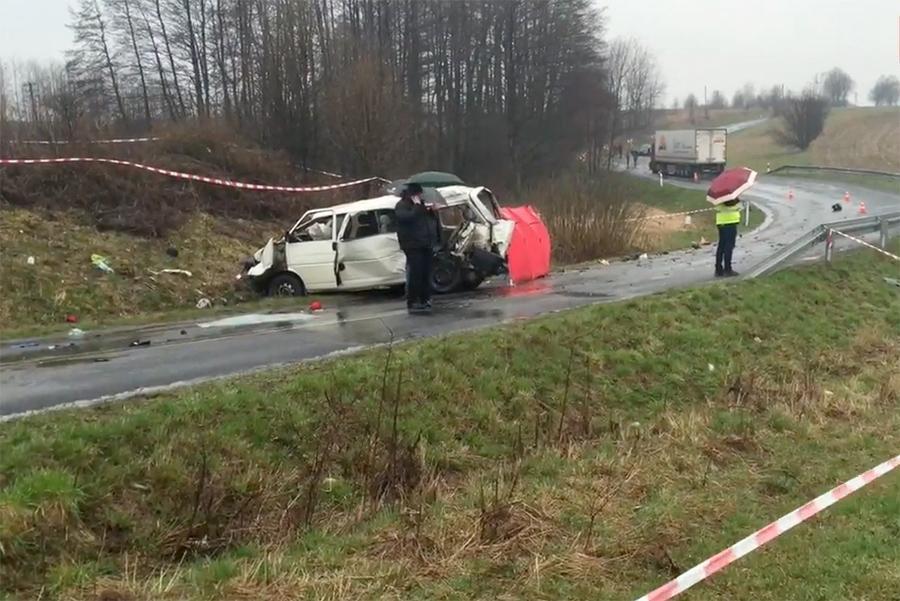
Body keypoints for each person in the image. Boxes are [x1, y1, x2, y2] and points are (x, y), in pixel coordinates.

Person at [395, 183, 440, 314]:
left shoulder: (421, 205)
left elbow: (427, 221)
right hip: (412, 245)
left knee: (426, 273)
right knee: (416, 273)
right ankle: (413, 300)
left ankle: (425, 298)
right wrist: (417, 206)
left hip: (426, 243)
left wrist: (432, 211)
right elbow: (408, 218)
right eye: (418, 194)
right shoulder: (402, 205)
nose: (420, 196)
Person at [715, 199, 741, 277]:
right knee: (729, 247)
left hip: (721, 221)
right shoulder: (732, 199)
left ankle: (718, 269)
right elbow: (737, 206)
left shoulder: (719, 199)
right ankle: (728, 269)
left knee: (721, 246)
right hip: (730, 222)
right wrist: (737, 200)